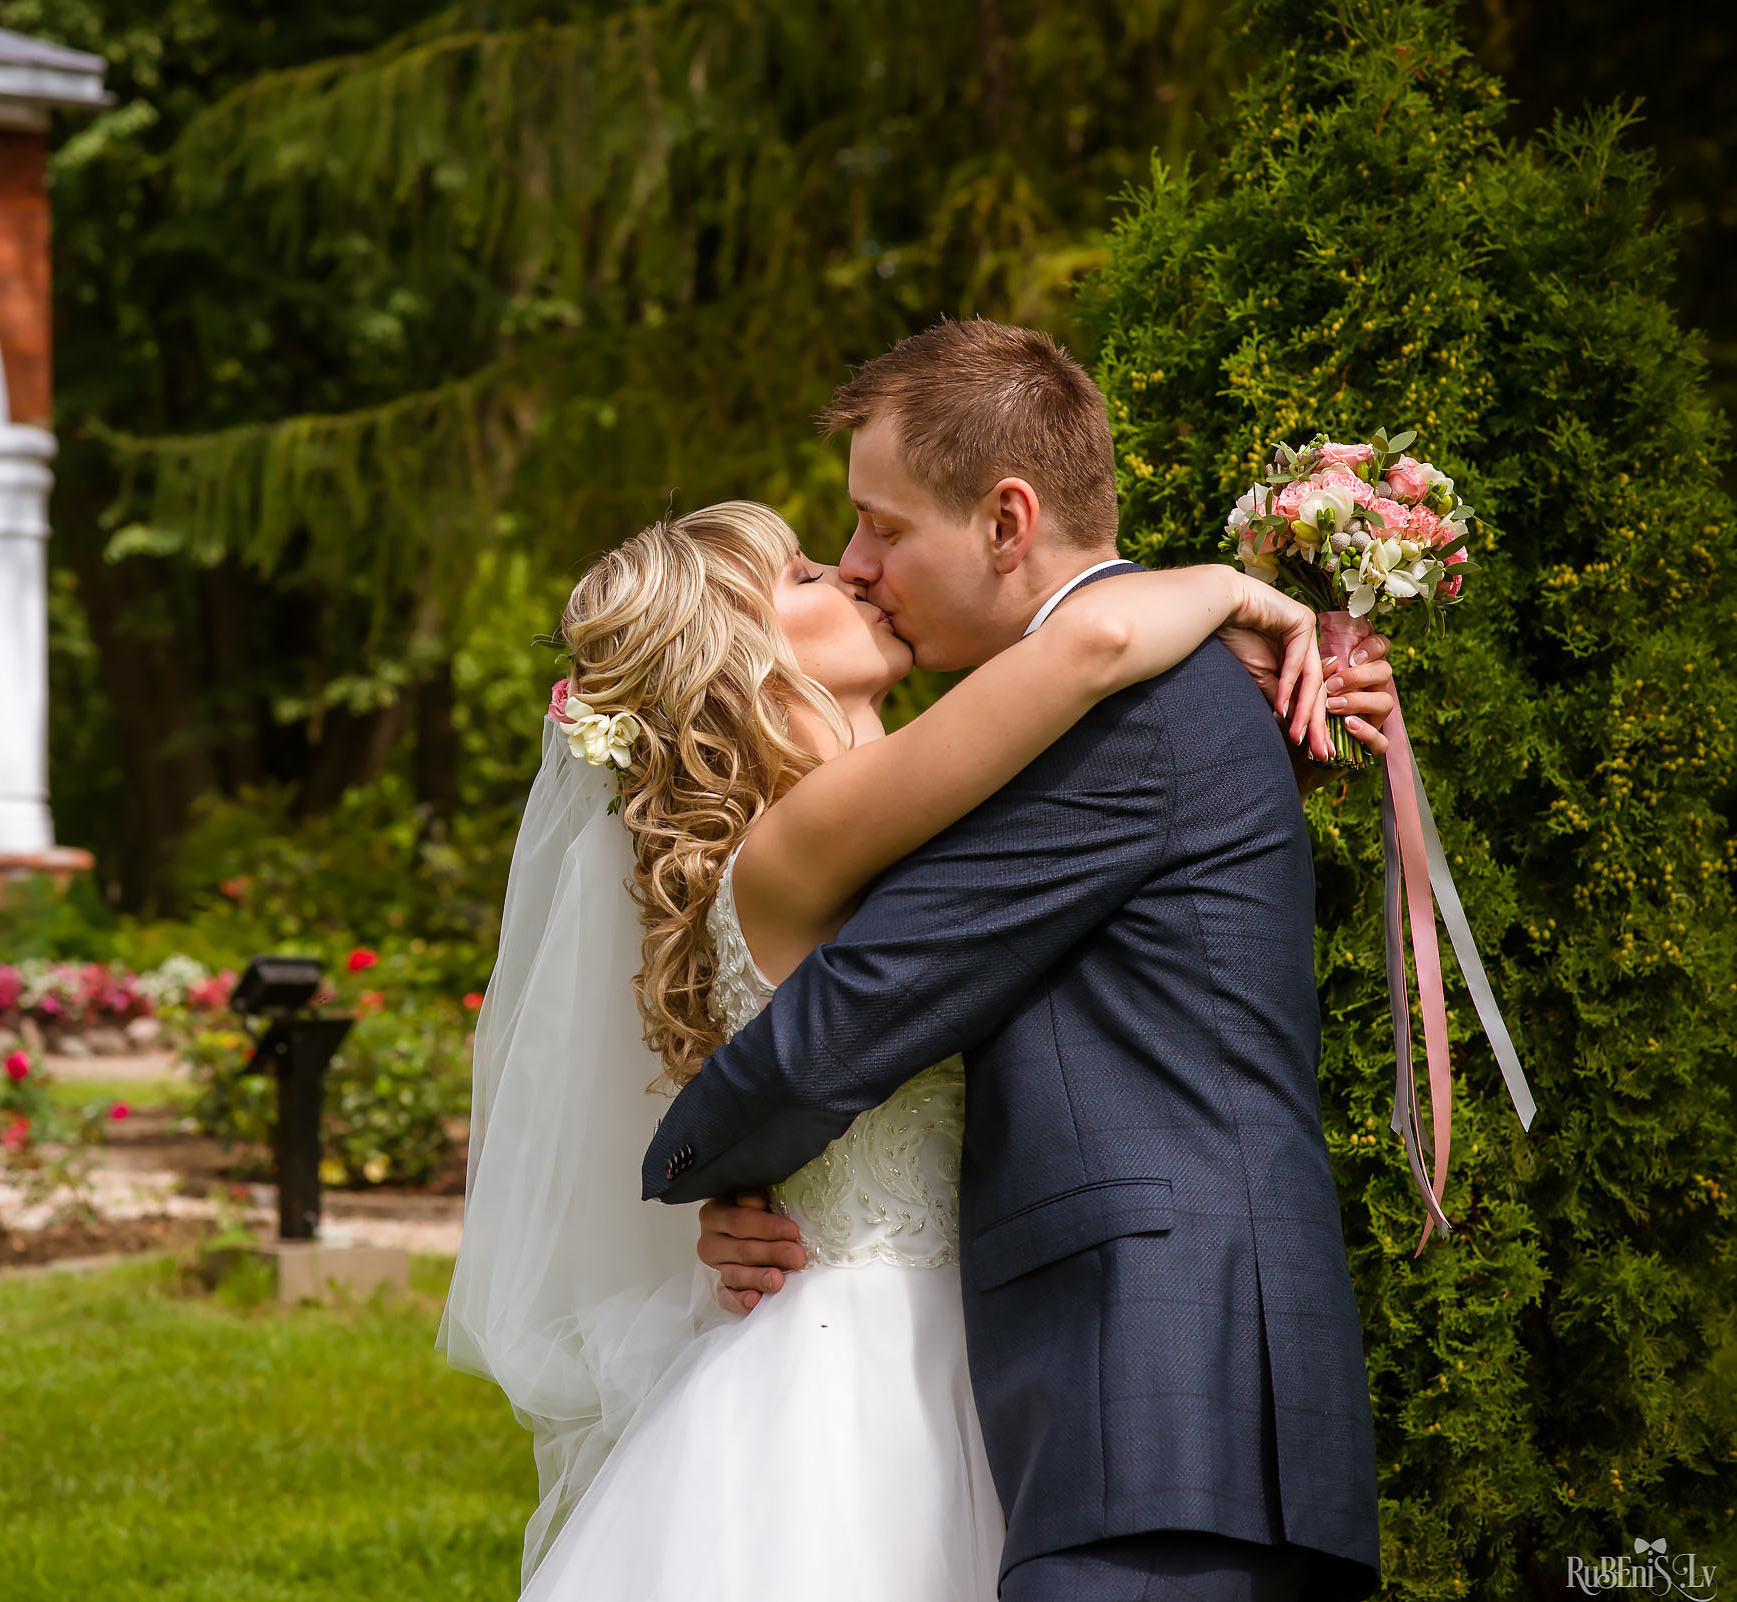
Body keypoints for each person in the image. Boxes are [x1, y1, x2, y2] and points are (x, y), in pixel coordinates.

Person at [444, 462, 1393, 1592]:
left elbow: (1084, 830)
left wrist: (1253, 729)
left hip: (995, 1339)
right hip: (869, 1374)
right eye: (797, 572)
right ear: (737, 658)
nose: (849, 570)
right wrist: (1237, 596)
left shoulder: (889, 824)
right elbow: (1086, 650)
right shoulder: (811, 830)